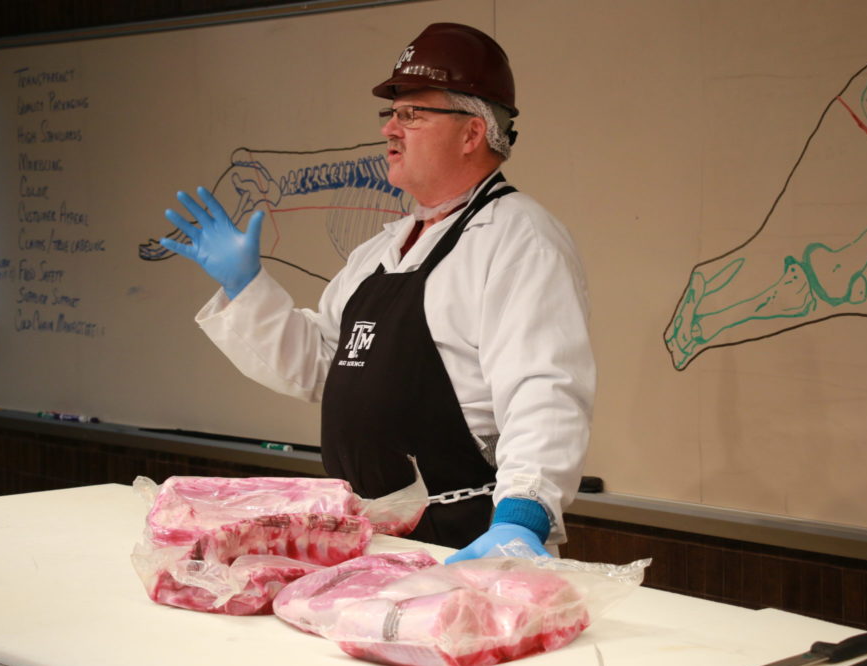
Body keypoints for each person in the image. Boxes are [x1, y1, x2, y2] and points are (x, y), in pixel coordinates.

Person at [161, 23, 595, 562]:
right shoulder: (382, 248)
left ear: (472, 132)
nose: (391, 129)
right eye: (390, 114)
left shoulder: (518, 238)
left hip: (468, 545)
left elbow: (545, 390)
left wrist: (522, 519)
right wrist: (245, 286)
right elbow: (322, 364)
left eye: (412, 114)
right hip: (373, 543)